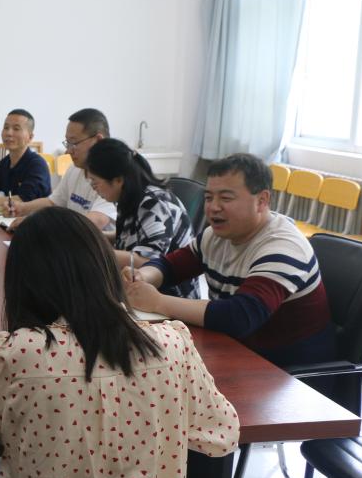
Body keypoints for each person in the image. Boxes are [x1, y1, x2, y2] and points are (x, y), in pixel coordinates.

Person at [0, 207, 238, 478]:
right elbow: (221, 432)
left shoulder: (21, 352)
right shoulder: (172, 343)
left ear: (22, 281)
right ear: (104, 267)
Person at [125, 153, 334, 368]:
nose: (213, 207)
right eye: (208, 198)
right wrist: (142, 276)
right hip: (236, 349)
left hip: (287, 370)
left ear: (262, 201)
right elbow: (170, 266)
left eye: (225, 198)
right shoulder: (216, 235)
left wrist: (157, 302)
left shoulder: (284, 246)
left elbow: (239, 317)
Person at [85, 138, 198, 298]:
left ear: (118, 180)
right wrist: (95, 237)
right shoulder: (131, 197)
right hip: (139, 288)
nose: (94, 189)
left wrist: (93, 251)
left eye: (95, 183)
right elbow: (132, 237)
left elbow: (147, 261)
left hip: (170, 296)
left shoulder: (154, 204)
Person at [9, 108, 117, 231]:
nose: (68, 151)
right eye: (67, 143)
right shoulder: (74, 169)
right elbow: (53, 202)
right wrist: (21, 208)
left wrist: (38, 223)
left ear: (97, 141)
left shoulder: (112, 176)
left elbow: (94, 221)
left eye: (74, 143)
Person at [0, 109, 51, 207]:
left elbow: (23, 201)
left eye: (16, 129)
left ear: (30, 137)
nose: (9, 133)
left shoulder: (37, 165)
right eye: (6, 127)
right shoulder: (6, 162)